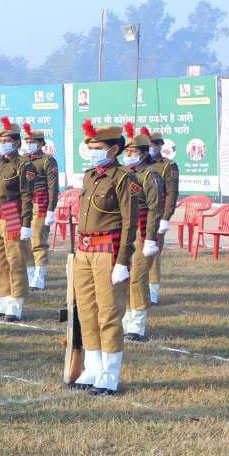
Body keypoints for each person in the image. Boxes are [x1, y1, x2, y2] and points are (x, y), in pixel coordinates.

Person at [70, 120, 140, 396]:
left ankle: (109, 373)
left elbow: (129, 222)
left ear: (113, 149)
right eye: (91, 147)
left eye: (98, 148)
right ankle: (93, 366)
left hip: (107, 251)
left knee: (109, 312)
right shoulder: (89, 176)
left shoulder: (124, 178)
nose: (92, 152)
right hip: (85, 250)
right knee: (86, 310)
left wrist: (122, 260)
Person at [0, 117, 35, 321]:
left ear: (16, 143)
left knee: (15, 259)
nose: (3, 144)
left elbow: (27, 196)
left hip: (12, 214)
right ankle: (3, 296)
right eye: (1, 140)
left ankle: (16, 300)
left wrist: (26, 223)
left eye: (7, 141)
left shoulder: (24, 165)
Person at [121, 124, 163, 342]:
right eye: (127, 152)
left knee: (137, 278)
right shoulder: (123, 173)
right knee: (124, 277)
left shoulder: (150, 175)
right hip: (123, 233)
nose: (128, 155)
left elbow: (155, 208)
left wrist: (149, 238)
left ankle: (137, 323)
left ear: (144, 154)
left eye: (133, 152)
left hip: (141, 231)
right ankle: (127, 317)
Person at [23, 123, 59, 290]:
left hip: (40, 205)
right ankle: (30, 275)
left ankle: (39, 277)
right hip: (24, 206)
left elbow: (53, 186)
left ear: (40, 143)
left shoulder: (47, 160)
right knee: (25, 242)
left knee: (38, 240)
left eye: (32, 141)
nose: (29, 144)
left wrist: (51, 209)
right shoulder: (22, 160)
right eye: (27, 140)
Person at [146, 132, 179, 304]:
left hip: (157, 216)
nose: (153, 147)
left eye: (156, 144)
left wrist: (166, 218)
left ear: (160, 146)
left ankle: (152, 292)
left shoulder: (168, 166)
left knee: (153, 254)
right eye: (150, 144)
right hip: (139, 215)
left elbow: (172, 194)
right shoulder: (139, 165)